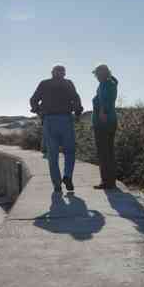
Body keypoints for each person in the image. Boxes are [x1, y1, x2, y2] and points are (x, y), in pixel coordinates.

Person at [30, 65, 83, 193]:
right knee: (69, 152)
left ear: (52, 73)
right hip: (66, 120)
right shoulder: (68, 83)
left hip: (50, 121)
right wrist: (77, 113)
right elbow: (76, 100)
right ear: (64, 73)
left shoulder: (44, 83)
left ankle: (57, 185)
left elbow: (33, 100)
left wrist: (39, 112)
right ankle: (68, 176)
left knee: (52, 155)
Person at [92, 64, 118, 189]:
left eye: (97, 74)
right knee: (109, 152)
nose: (96, 76)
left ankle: (107, 182)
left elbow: (104, 100)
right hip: (110, 121)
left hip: (104, 122)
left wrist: (102, 112)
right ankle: (110, 181)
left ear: (101, 74)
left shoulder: (105, 84)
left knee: (104, 152)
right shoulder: (111, 83)